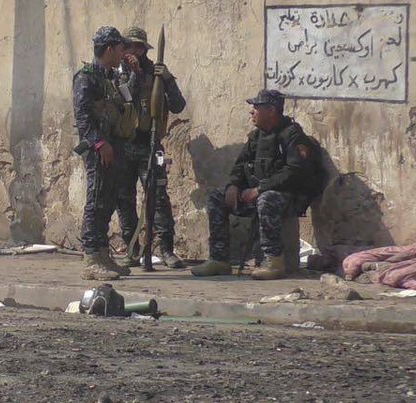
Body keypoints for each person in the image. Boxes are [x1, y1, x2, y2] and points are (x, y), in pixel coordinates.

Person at [191, 89, 322, 280]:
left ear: (271, 111)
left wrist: (260, 189)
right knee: (217, 197)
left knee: (266, 200)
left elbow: (294, 171)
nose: (252, 112)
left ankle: (274, 261)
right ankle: (219, 260)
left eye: (257, 108)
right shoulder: (256, 137)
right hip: (257, 192)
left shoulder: (292, 135)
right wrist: (234, 185)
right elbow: (240, 165)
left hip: (288, 197)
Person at [115, 26, 187, 269]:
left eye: (138, 46)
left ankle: (166, 249)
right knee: (124, 198)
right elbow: (126, 99)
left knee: (158, 197)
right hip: (124, 145)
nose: (133, 51)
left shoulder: (156, 73)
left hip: (151, 144)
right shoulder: (117, 72)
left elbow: (178, 106)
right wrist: (135, 73)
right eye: (128, 46)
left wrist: (167, 79)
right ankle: (133, 248)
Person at [74, 26, 134, 281]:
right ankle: (91, 258)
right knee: (96, 200)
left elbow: (127, 104)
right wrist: (100, 144)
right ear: (109, 49)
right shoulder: (86, 77)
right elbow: (83, 116)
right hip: (99, 149)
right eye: (121, 48)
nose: (124, 53)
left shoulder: (112, 77)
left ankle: (102, 254)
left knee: (109, 201)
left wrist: (133, 73)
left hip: (115, 145)